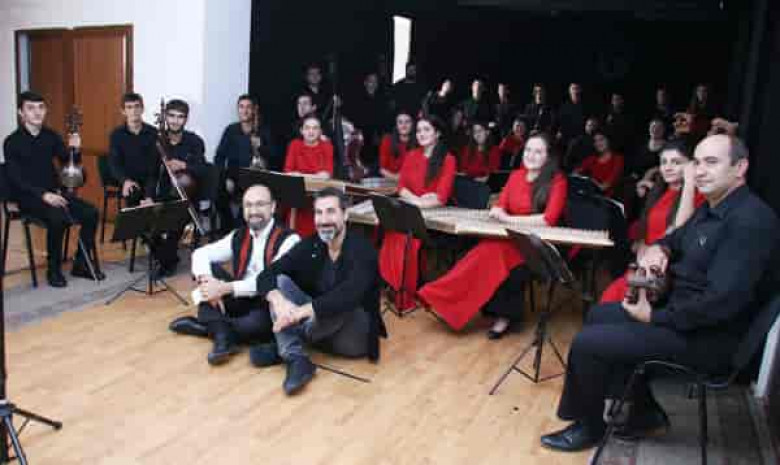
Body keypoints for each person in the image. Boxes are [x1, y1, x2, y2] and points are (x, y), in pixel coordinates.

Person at [541, 134, 780, 452]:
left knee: (588, 343)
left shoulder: (750, 222)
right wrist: (660, 249)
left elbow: (722, 302)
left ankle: (589, 427)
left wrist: (654, 316)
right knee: (599, 314)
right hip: (686, 316)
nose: (700, 171)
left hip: (710, 338)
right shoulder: (712, 207)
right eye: (697, 162)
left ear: (740, 168)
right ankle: (644, 412)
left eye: (711, 162)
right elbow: (676, 238)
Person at [418, 133, 567, 336]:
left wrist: (508, 219)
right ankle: (449, 303)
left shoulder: (557, 181)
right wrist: (498, 210)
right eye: (528, 150)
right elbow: (500, 205)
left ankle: (448, 301)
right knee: (480, 253)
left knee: (491, 255)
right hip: (507, 238)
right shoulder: (516, 176)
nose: (531, 155)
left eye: (538, 151)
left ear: (548, 157)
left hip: (534, 245)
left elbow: (547, 219)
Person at [251, 187, 387, 395]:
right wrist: (279, 301)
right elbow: (267, 275)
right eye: (318, 213)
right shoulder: (312, 244)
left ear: (345, 215)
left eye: (331, 212)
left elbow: (349, 294)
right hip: (318, 329)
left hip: (352, 337)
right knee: (280, 282)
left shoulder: (363, 249)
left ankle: (287, 345)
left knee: (343, 299)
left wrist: (298, 314)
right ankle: (296, 357)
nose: (324, 220)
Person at [169, 184, 299, 365]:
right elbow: (201, 254)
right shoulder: (239, 234)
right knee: (210, 272)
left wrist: (223, 288)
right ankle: (224, 335)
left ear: (273, 207)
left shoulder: (290, 240)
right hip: (239, 297)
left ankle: (211, 329)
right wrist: (208, 284)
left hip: (269, 305)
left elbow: (268, 280)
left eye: (260, 204)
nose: (253, 211)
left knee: (256, 325)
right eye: (248, 205)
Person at [4, 91, 104, 287]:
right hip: (29, 198)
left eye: (41, 107)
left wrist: (75, 149)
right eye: (30, 108)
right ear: (21, 113)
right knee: (57, 217)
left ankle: (81, 264)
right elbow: (16, 179)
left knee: (91, 212)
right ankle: (53, 269)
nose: (37, 112)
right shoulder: (12, 142)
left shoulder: (51, 136)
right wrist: (43, 195)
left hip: (55, 194)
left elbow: (69, 165)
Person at [599, 140, 705, 303]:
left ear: (690, 166)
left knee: (615, 300)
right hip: (643, 263)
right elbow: (646, 226)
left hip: (665, 268)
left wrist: (690, 181)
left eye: (676, 162)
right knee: (609, 297)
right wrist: (641, 244)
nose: (668, 167)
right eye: (664, 162)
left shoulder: (696, 195)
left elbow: (679, 230)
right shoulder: (660, 191)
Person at [378, 115, 457, 312]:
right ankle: (396, 288)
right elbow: (401, 187)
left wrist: (417, 201)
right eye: (419, 130)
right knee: (393, 233)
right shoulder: (412, 155)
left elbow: (440, 198)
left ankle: (405, 293)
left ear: (437, 133)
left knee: (407, 237)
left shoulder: (448, 160)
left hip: (434, 217)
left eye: (427, 130)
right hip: (412, 211)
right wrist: (419, 201)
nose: (421, 134)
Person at [154, 98, 208, 274]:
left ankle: (167, 262)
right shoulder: (158, 141)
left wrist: (184, 165)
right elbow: (150, 173)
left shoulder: (195, 141)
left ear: (186, 119)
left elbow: (202, 169)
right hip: (162, 194)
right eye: (171, 116)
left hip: (186, 196)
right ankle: (166, 255)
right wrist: (148, 196)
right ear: (165, 117)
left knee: (175, 218)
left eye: (180, 117)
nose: (175, 121)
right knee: (142, 220)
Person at [213, 94, 275, 232]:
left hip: (255, 177)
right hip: (234, 176)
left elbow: (273, 156)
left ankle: (240, 230)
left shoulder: (263, 131)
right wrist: (226, 177)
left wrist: (261, 146)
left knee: (252, 194)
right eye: (241, 107)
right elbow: (219, 157)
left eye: (248, 107)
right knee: (217, 190)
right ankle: (227, 228)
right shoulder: (231, 130)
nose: (244, 111)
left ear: (254, 110)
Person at [283, 115, 334, 237]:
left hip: (319, 197)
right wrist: (314, 177)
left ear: (320, 131)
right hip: (297, 197)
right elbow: (288, 172)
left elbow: (326, 175)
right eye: (307, 128)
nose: (311, 131)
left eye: (315, 128)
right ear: (301, 131)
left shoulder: (326, 146)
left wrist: (301, 175)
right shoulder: (294, 145)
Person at [108, 92, 159, 207]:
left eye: (137, 106)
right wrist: (125, 180)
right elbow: (114, 163)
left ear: (142, 109)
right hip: (128, 179)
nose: (134, 111)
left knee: (157, 193)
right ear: (123, 111)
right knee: (132, 192)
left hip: (149, 179)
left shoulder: (153, 133)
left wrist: (149, 194)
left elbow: (154, 166)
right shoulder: (117, 135)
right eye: (129, 107)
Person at [575, 130, 624, 197]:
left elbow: (604, 187)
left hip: (607, 199)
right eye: (595, 141)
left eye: (601, 139)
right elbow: (574, 174)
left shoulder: (617, 159)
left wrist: (589, 180)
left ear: (608, 140)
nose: (598, 143)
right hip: (589, 195)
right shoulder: (591, 159)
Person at [378, 111, 415, 181]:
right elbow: (382, 169)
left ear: (412, 124)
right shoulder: (387, 140)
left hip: (411, 182)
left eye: (407, 122)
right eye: (400, 122)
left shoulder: (419, 142)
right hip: (391, 181)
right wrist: (396, 178)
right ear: (396, 125)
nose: (403, 125)